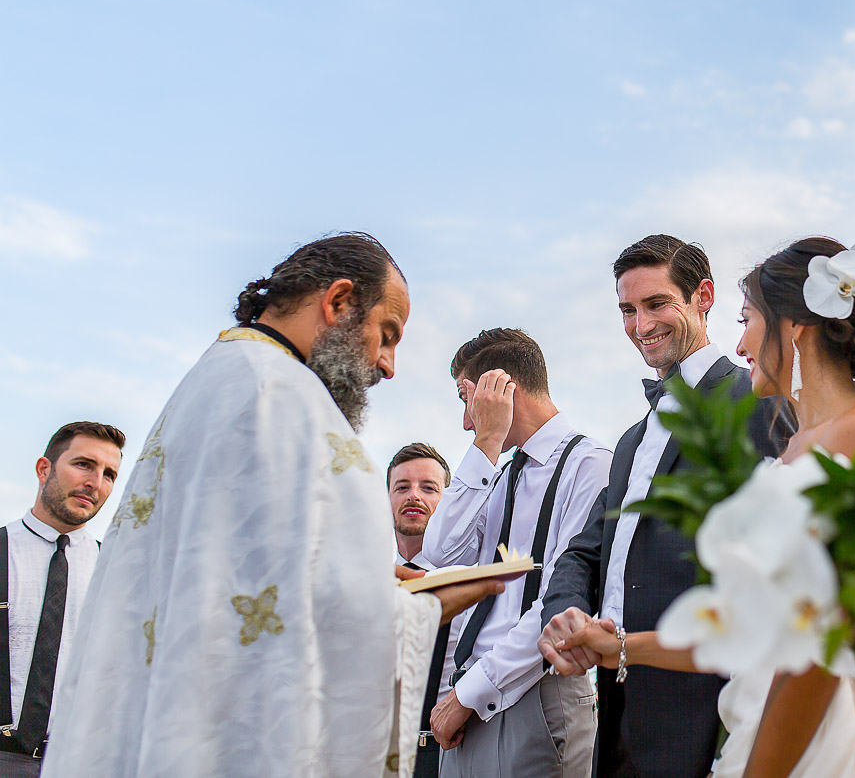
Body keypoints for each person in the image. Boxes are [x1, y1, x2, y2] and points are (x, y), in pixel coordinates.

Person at [41, 233, 507, 778]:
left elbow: (241, 583)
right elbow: (291, 619)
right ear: (336, 303)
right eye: (387, 334)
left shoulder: (222, 375)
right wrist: (428, 606)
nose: (388, 365)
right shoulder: (280, 399)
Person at [557, 237, 855, 778]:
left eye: (748, 320)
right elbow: (752, 625)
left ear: (794, 327)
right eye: (628, 310)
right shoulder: (795, 448)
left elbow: (824, 647)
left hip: (811, 738)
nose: (741, 345)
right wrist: (622, 645)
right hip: (735, 717)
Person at [540, 234, 793, 778]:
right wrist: (561, 612)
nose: (640, 325)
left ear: (702, 297)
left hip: (706, 709)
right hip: (616, 712)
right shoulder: (631, 439)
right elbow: (585, 550)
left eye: (656, 304)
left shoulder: (757, 403)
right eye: (627, 310)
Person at [417, 328, 611, 778]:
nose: (467, 421)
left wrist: (468, 694)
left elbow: (562, 599)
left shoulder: (589, 464)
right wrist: (485, 444)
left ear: (501, 389)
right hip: (471, 696)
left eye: (466, 398)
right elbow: (439, 553)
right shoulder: (499, 475)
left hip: (536, 698)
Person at [0, 421, 124, 776]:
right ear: (44, 469)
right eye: (84, 464)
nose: (95, 482)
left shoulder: (116, 574)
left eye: (110, 474)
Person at [386, 442, 456, 778]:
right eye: (402, 487)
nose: (414, 496)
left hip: (455, 751)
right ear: (388, 499)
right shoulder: (370, 584)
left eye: (428, 488)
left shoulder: (472, 580)